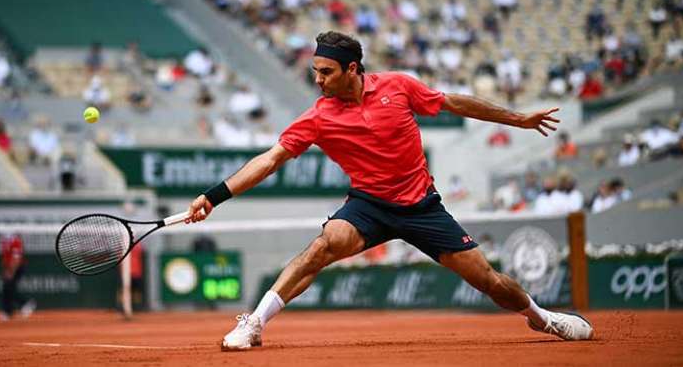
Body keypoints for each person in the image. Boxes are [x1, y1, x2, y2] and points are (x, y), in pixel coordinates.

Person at [184, 31, 593, 350]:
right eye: (315, 71)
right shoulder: (318, 117)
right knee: (323, 246)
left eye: (326, 72)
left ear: (352, 69)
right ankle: (254, 323)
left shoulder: (399, 87)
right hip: (369, 206)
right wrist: (214, 195)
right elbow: (269, 160)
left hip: (422, 207)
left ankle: (542, 318)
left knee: (488, 281)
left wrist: (518, 119)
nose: (318, 79)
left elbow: (454, 103)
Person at [0, 233, 36, 320]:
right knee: (7, 289)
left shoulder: (16, 242)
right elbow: (5, 257)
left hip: (17, 268)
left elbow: (16, 259)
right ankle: (8, 311)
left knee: (9, 288)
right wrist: (6, 270)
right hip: (9, 267)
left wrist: (11, 271)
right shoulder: (4, 242)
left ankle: (25, 303)